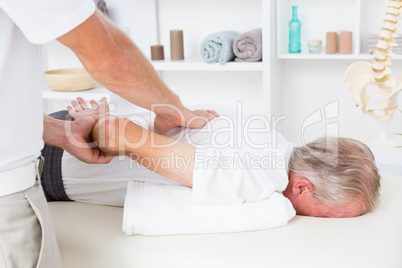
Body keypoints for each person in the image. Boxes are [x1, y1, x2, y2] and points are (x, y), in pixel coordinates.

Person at [0, 1, 216, 267]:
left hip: (41, 151)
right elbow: (110, 54)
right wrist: (172, 109)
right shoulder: (249, 171)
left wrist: (62, 131)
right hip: (18, 182)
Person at [42, 97, 381, 219]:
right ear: (304, 188)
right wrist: (105, 128)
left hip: (61, 129)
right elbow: (125, 137)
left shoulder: (262, 130)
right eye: (326, 216)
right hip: (54, 159)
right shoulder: (260, 177)